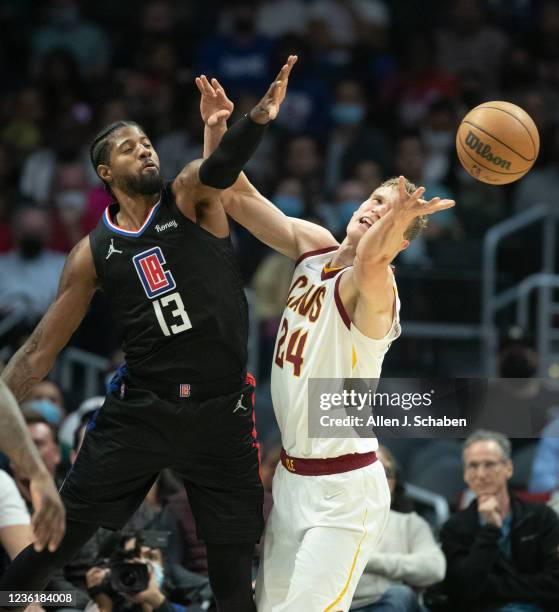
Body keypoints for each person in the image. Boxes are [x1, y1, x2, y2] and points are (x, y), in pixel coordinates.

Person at [0, 58, 297, 612]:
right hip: (140, 413)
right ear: (105, 172)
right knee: (50, 550)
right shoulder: (91, 253)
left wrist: (256, 118)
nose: (146, 150)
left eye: (148, 142)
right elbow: (39, 351)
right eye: (129, 146)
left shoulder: (190, 195)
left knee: (234, 580)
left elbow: (223, 164)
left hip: (221, 412)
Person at [199, 67, 454, 611]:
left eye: (390, 212)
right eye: (376, 200)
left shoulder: (376, 289)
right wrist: (227, 127)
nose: (375, 209)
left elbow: (370, 259)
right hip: (290, 480)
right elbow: (236, 197)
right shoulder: (313, 245)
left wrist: (397, 223)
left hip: (344, 494)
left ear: (400, 244)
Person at [440, 430, 559, 612]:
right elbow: (463, 590)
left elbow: (554, 583)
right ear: (465, 474)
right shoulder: (454, 528)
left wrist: (491, 586)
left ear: (508, 468)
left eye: (489, 464)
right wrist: (490, 529)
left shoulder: (541, 518)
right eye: (473, 466)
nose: (480, 474)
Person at [350, 446, 445, 612]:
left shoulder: (410, 523)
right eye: (369, 469)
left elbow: (435, 568)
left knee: (400, 594)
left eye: (384, 471)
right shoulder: (330, 521)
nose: (377, 477)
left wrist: (370, 561)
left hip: (390, 604)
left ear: (394, 482)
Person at [0, 380, 65, 554]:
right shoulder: (3, 486)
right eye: (25, 445)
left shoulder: (74, 501)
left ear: (57, 453)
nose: (31, 453)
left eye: (38, 444)